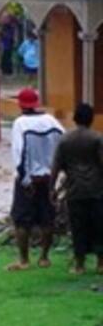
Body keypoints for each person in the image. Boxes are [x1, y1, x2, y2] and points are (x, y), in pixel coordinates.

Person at [7, 88, 64, 271]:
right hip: (49, 178)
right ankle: (44, 258)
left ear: (20, 105)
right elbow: (63, 145)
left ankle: (24, 260)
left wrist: (25, 180)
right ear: (37, 103)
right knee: (47, 218)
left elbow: (19, 154)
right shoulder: (52, 121)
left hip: (28, 180)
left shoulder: (20, 124)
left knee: (21, 220)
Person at [51, 103, 103, 274]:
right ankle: (101, 264)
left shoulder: (65, 140)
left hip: (75, 191)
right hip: (96, 190)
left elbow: (56, 166)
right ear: (91, 119)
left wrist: (52, 188)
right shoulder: (97, 138)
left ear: (74, 119)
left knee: (78, 227)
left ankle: (79, 265)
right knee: (98, 226)